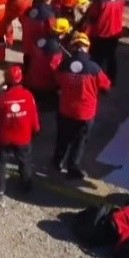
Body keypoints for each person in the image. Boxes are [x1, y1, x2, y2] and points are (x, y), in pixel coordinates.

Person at [54, 33, 111, 179]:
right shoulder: (94, 68)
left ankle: (57, 161)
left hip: (65, 109)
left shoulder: (64, 65)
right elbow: (106, 85)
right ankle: (73, 167)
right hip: (85, 113)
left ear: (73, 47)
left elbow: (57, 81)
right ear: (86, 47)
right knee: (80, 140)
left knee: (63, 137)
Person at [0, 65, 39, 200]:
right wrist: (36, 129)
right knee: (24, 162)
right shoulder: (28, 96)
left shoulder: (2, 98)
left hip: (3, 137)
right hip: (22, 137)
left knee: (1, 163)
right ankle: (26, 186)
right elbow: (33, 116)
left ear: (6, 80)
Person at [82, 0, 124, 83]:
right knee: (111, 57)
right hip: (115, 31)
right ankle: (112, 79)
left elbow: (92, 16)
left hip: (102, 33)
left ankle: (97, 81)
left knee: (97, 58)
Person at [25, 17, 68, 113]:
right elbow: (54, 70)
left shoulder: (41, 40)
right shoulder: (56, 51)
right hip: (45, 86)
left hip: (31, 79)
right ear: (62, 34)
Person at [20, 0, 57, 71]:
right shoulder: (49, 15)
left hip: (27, 46)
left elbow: (22, 21)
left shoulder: (28, 10)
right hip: (39, 49)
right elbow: (52, 31)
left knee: (27, 66)